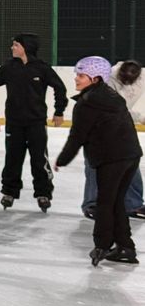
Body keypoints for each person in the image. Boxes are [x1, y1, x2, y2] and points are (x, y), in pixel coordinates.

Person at [55, 56, 142, 266]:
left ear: (95, 79)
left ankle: (102, 245)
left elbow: (77, 136)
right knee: (116, 201)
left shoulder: (87, 103)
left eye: (81, 75)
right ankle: (125, 247)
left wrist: (63, 159)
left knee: (105, 203)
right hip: (130, 155)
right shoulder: (113, 96)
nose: (76, 79)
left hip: (112, 158)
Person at [0, 33, 66, 211]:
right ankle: (9, 191)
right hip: (15, 123)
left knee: (39, 159)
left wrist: (59, 111)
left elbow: (59, 88)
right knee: (13, 159)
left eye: (16, 45)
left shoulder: (42, 68)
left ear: (26, 47)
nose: (12, 48)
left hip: (36, 123)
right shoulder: (10, 67)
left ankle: (43, 193)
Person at [82, 59, 145, 219]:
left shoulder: (141, 78)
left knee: (131, 161)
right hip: (97, 126)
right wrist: (141, 118)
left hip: (120, 126)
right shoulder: (107, 80)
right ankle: (92, 204)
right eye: (124, 79)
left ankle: (133, 204)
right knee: (95, 165)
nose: (127, 82)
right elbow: (116, 107)